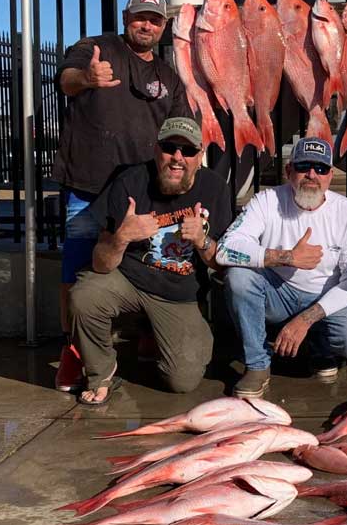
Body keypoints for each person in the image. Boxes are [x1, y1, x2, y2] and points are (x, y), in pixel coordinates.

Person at [54, 0, 191, 392]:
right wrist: (87, 78)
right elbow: (66, 81)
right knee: (77, 268)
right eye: (139, 17)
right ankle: (74, 350)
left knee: (151, 262)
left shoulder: (169, 76)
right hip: (88, 185)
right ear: (126, 16)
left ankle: (149, 329)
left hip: (144, 190)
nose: (146, 25)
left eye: (155, 19)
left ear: (164, 27)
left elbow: (180, 131)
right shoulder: (94, 47)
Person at [69, 117, 231, 405]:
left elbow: (221, 264)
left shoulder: (215, 188)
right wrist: (121, 237)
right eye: (169, 148)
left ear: (200, 155)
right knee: (85, 295)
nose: (177, 158)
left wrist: (202, 241)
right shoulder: (130, 182)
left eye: (188, 151)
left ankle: (158, 335)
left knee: (183, 381)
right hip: (128, 280)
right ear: (157, 150)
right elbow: (99, 264)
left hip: (177, 294)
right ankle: (101, 373)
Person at [216, 138, 347, 399]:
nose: (312, 175)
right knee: (238, 277)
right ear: (288, 171)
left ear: (330, 176)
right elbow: (224, 249)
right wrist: (285, 257)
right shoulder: (266, 200)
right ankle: (257, 365)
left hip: (324, 298)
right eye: (303, 167)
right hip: (278, 293)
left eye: (320, 169)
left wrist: (305, 319)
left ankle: (320, 347)